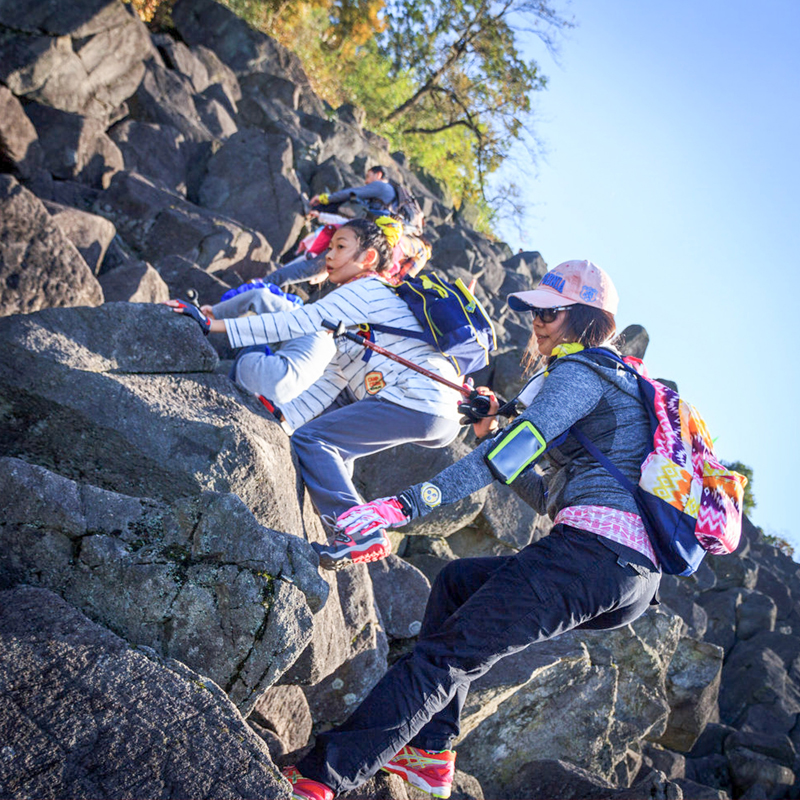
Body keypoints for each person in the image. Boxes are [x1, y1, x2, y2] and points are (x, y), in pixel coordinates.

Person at [280, 259, 662, 800]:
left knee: (446, 657)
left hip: (593, 555)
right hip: (624, 577)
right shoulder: (615, 383)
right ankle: (429, 753)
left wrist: (405, 504)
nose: (537, 321)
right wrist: (489, 432)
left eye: (550, 311)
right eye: (533, 310)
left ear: (585, 317)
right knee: (457, 584)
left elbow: (516, 449)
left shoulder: (583, 372)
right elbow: (541, 491)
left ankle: (322, 776)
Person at [168, 217, 462, 567]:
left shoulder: (366, 291)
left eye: (340, 246)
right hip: (440, 410)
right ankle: (346, 537)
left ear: (368, 258)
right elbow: (334, 378)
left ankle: (360, 533)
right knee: (338, 453)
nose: (329, 254)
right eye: (331, 246)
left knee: (314, 441)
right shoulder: (365, 310)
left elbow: (298, 322)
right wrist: (284, 417)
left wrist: (212, 325)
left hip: (418, 396)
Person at [309, 165, 396, 216]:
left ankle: (312, 208)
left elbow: (350, 193)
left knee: (348, 199)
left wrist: (324, 198)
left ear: (378, 175)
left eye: (368, 176)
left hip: (371, 219)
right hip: (379, 219)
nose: (366, 182)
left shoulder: (381, 186)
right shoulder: (390, 190)